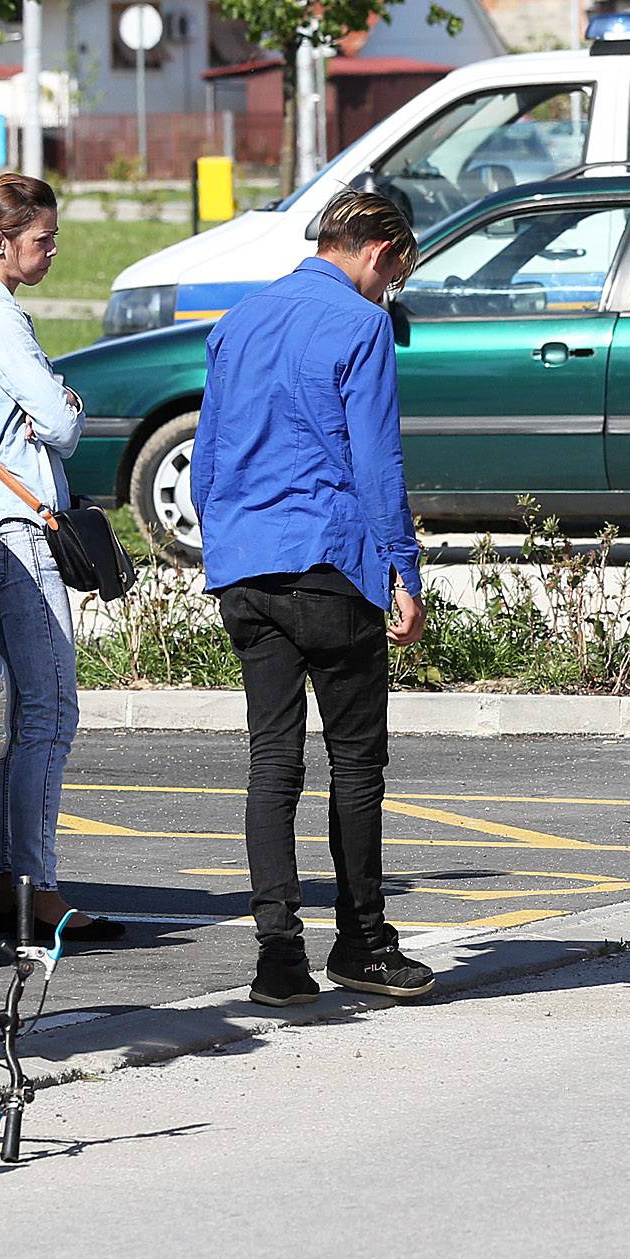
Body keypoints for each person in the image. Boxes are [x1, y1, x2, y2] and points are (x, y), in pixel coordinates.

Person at [191, 188, 432, 1008]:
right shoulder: (360, 325)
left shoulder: (239, 321)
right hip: (329, 564)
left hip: (247, 568)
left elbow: (207, 462)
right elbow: (377, 465)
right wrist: (404, 573)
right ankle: (364, 942)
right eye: (398, 271)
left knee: (273, 761)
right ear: (378, 249)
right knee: (357, 763)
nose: (390, 289)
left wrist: (224, 555)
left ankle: (277, 957)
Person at [0, 173, 123, 944]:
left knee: (13, 716)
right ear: (0, 244)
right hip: (20, 528)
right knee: (50, 711)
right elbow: (60, 423)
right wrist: (67, 405)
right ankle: (38, 891)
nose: (52, 250)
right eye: (43, 239)